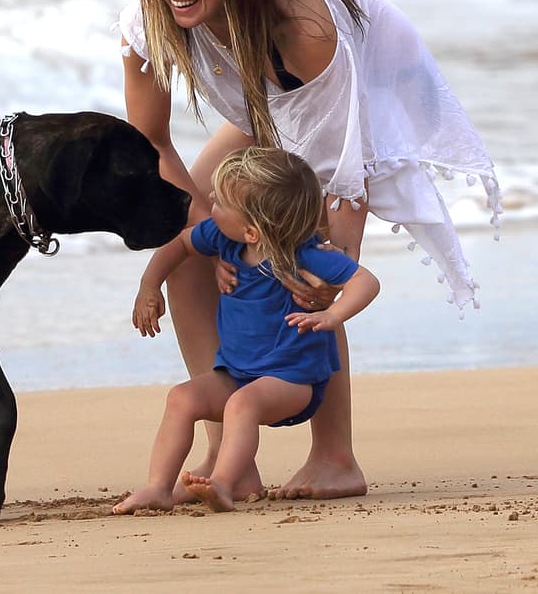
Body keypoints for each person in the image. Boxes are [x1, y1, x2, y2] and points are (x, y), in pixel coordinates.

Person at [101, 0, 501, 501]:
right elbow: (151, 142)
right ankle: (228, 448)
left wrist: (330, 264)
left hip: (349, 103)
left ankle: (336, 457)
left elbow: (341, 176)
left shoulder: (304, 28)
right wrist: (217, 234)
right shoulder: (148, 18)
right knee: (186, 244)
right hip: (264, 107)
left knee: (309, 267)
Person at [113, 147, 380, 514]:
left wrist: (333, 315)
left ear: (252, 231)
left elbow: (366, 282)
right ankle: (158, 487)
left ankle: (224, 483)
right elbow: (179, 243)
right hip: (237, 373)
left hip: (291, 381)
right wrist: (149, 285)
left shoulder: (304, 254)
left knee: (242, 404)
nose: (211, 199)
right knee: (181, 398)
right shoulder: (224, 238)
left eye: (221, 202)